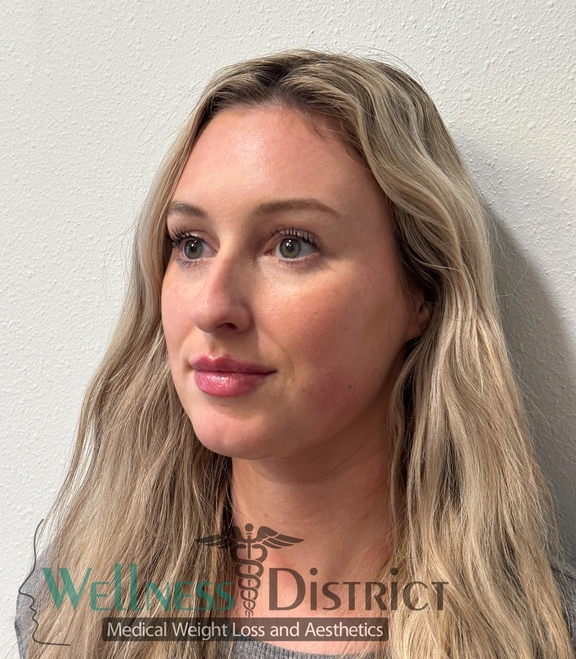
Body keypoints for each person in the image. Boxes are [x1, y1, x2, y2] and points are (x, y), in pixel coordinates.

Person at [15, 50, 576, 659]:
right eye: (192, 244)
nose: (212, 306)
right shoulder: (77, 610)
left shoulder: (541, 637)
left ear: (424, 291)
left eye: (292, 245)